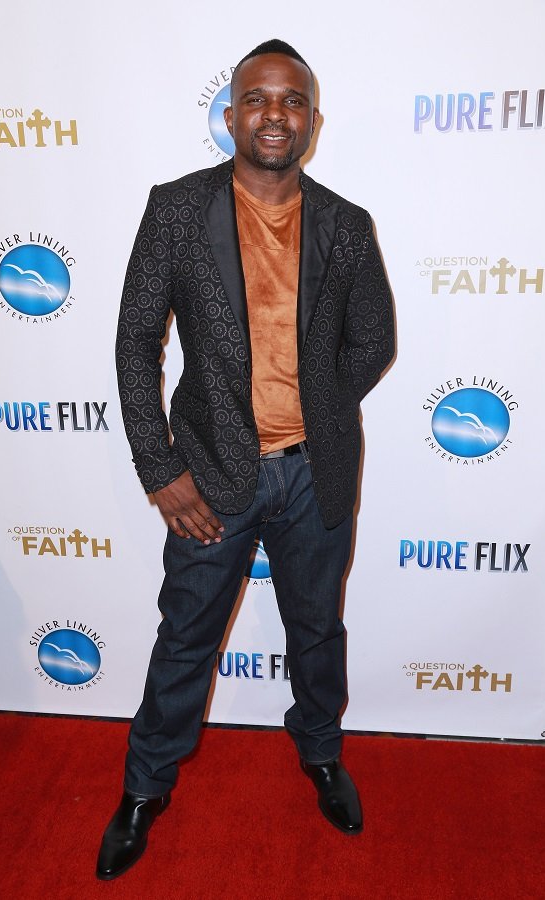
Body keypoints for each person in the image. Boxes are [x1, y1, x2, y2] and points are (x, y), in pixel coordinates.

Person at [97, 38, 394, 881]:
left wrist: (321, 412)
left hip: (314, 473)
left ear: (312, 120)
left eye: (292, 100)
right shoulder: (176, 210)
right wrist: (160, 470)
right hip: (209, 475)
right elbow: (132, 343)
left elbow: (373, 340)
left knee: (317, 630)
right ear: (230, 116)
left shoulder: (344, 223)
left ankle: (323, 753)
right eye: (258, 99)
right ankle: (144, 790)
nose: (275, 114)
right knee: (184, 638)